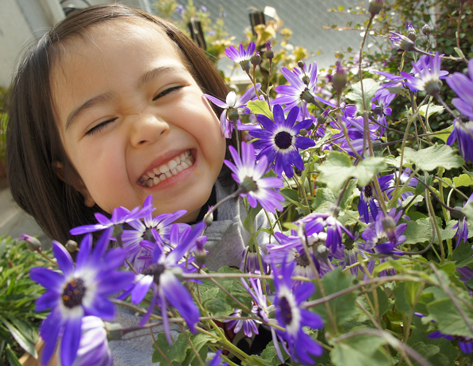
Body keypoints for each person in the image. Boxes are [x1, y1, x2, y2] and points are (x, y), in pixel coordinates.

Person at [7, 4, 274, 365]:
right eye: (100, 123)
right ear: (74, 180)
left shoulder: (264, 187)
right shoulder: (109, 331)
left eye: (167, 90)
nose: (149, 126)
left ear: (210, 97)